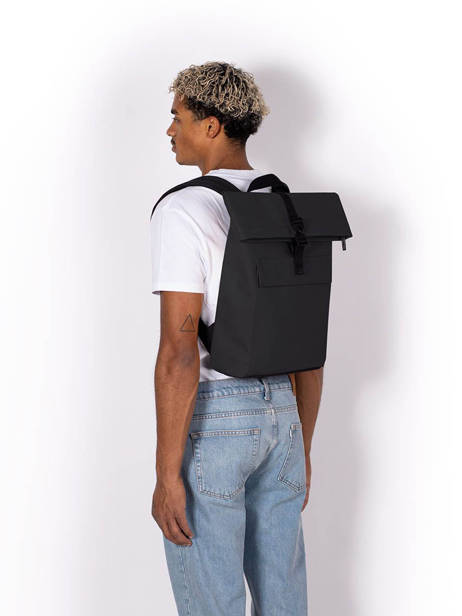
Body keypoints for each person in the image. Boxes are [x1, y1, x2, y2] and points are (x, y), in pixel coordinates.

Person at [149, 61, 323, 616]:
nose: (170, 130)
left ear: (212, 125)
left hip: (218, 420)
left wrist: (167, 475)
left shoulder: (184, 209)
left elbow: (179, 353)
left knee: (212, 605)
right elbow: (308, 344)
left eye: (177, 117)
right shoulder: (288, 208)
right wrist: (303, 447)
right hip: (285, 415)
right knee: (284, 600)